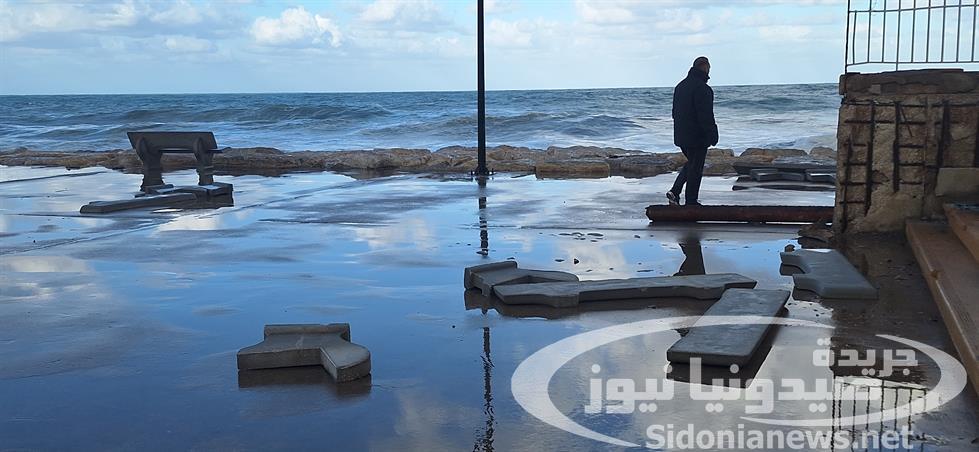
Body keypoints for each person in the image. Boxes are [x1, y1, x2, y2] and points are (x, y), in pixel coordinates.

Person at [667, 56, 718, 206]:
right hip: (697, 136)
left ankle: (675, 191)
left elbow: (674, 112)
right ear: (706, 68)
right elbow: (706, 115)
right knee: (696, 169)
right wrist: (712, 134)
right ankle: (691, 201)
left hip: (681, 135)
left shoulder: (680, 86)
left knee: (692, 164)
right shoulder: (703, 89)